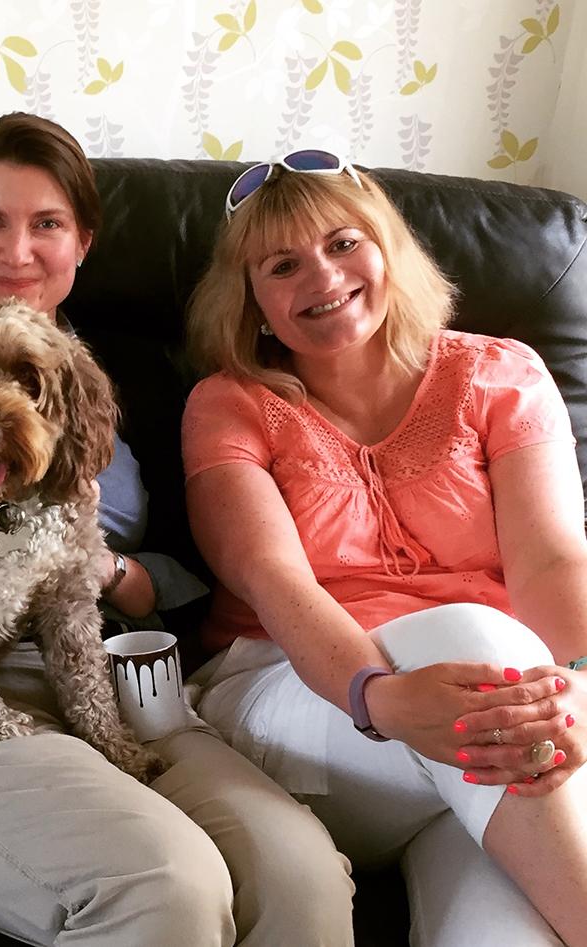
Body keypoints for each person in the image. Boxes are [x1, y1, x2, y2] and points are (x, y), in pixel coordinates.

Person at [0, 114, 355, 946]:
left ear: (84, 240)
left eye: (46, 224)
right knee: (171, 888)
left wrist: (99, 569)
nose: (16, 252)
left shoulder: (136, 364)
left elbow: (197, 566)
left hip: (118, 673)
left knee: (301, 878)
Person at [182, 150, 587, 946]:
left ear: (388, 247)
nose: (322, 278)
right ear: (255, 302)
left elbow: (552, 563)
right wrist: (380, 696)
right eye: (283, 265)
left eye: (342, 243)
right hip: (306, 708)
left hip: (490, 734)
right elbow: (273, 578)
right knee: (477, 637)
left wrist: (575, 691)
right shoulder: (230, 404)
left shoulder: (502, 373)